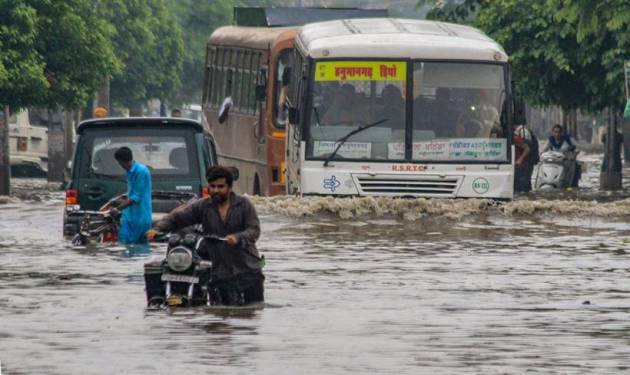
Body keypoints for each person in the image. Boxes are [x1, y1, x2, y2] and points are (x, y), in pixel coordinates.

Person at [146, 166, 264, 306]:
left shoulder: (244, 205)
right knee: (220, 316)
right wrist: (157, 229)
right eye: (212, 186)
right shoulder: (203, 206)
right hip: (220, 272)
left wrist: (238, 237)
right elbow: (178, 218)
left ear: (230, 187)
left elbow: (254, 230)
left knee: (253, 311)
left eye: (220, 187)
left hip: (248, 270)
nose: (215, 190)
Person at [106, 147, 152, 244]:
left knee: (139, 250)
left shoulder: (141, 171)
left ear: (122, 161)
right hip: (129, 217)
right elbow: (131, 194)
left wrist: (118, 208)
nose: (120, 165)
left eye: (119, 163)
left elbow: (136, 197)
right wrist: (115, 201)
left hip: (140, 218)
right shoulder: (130, 172)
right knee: (125, 248)